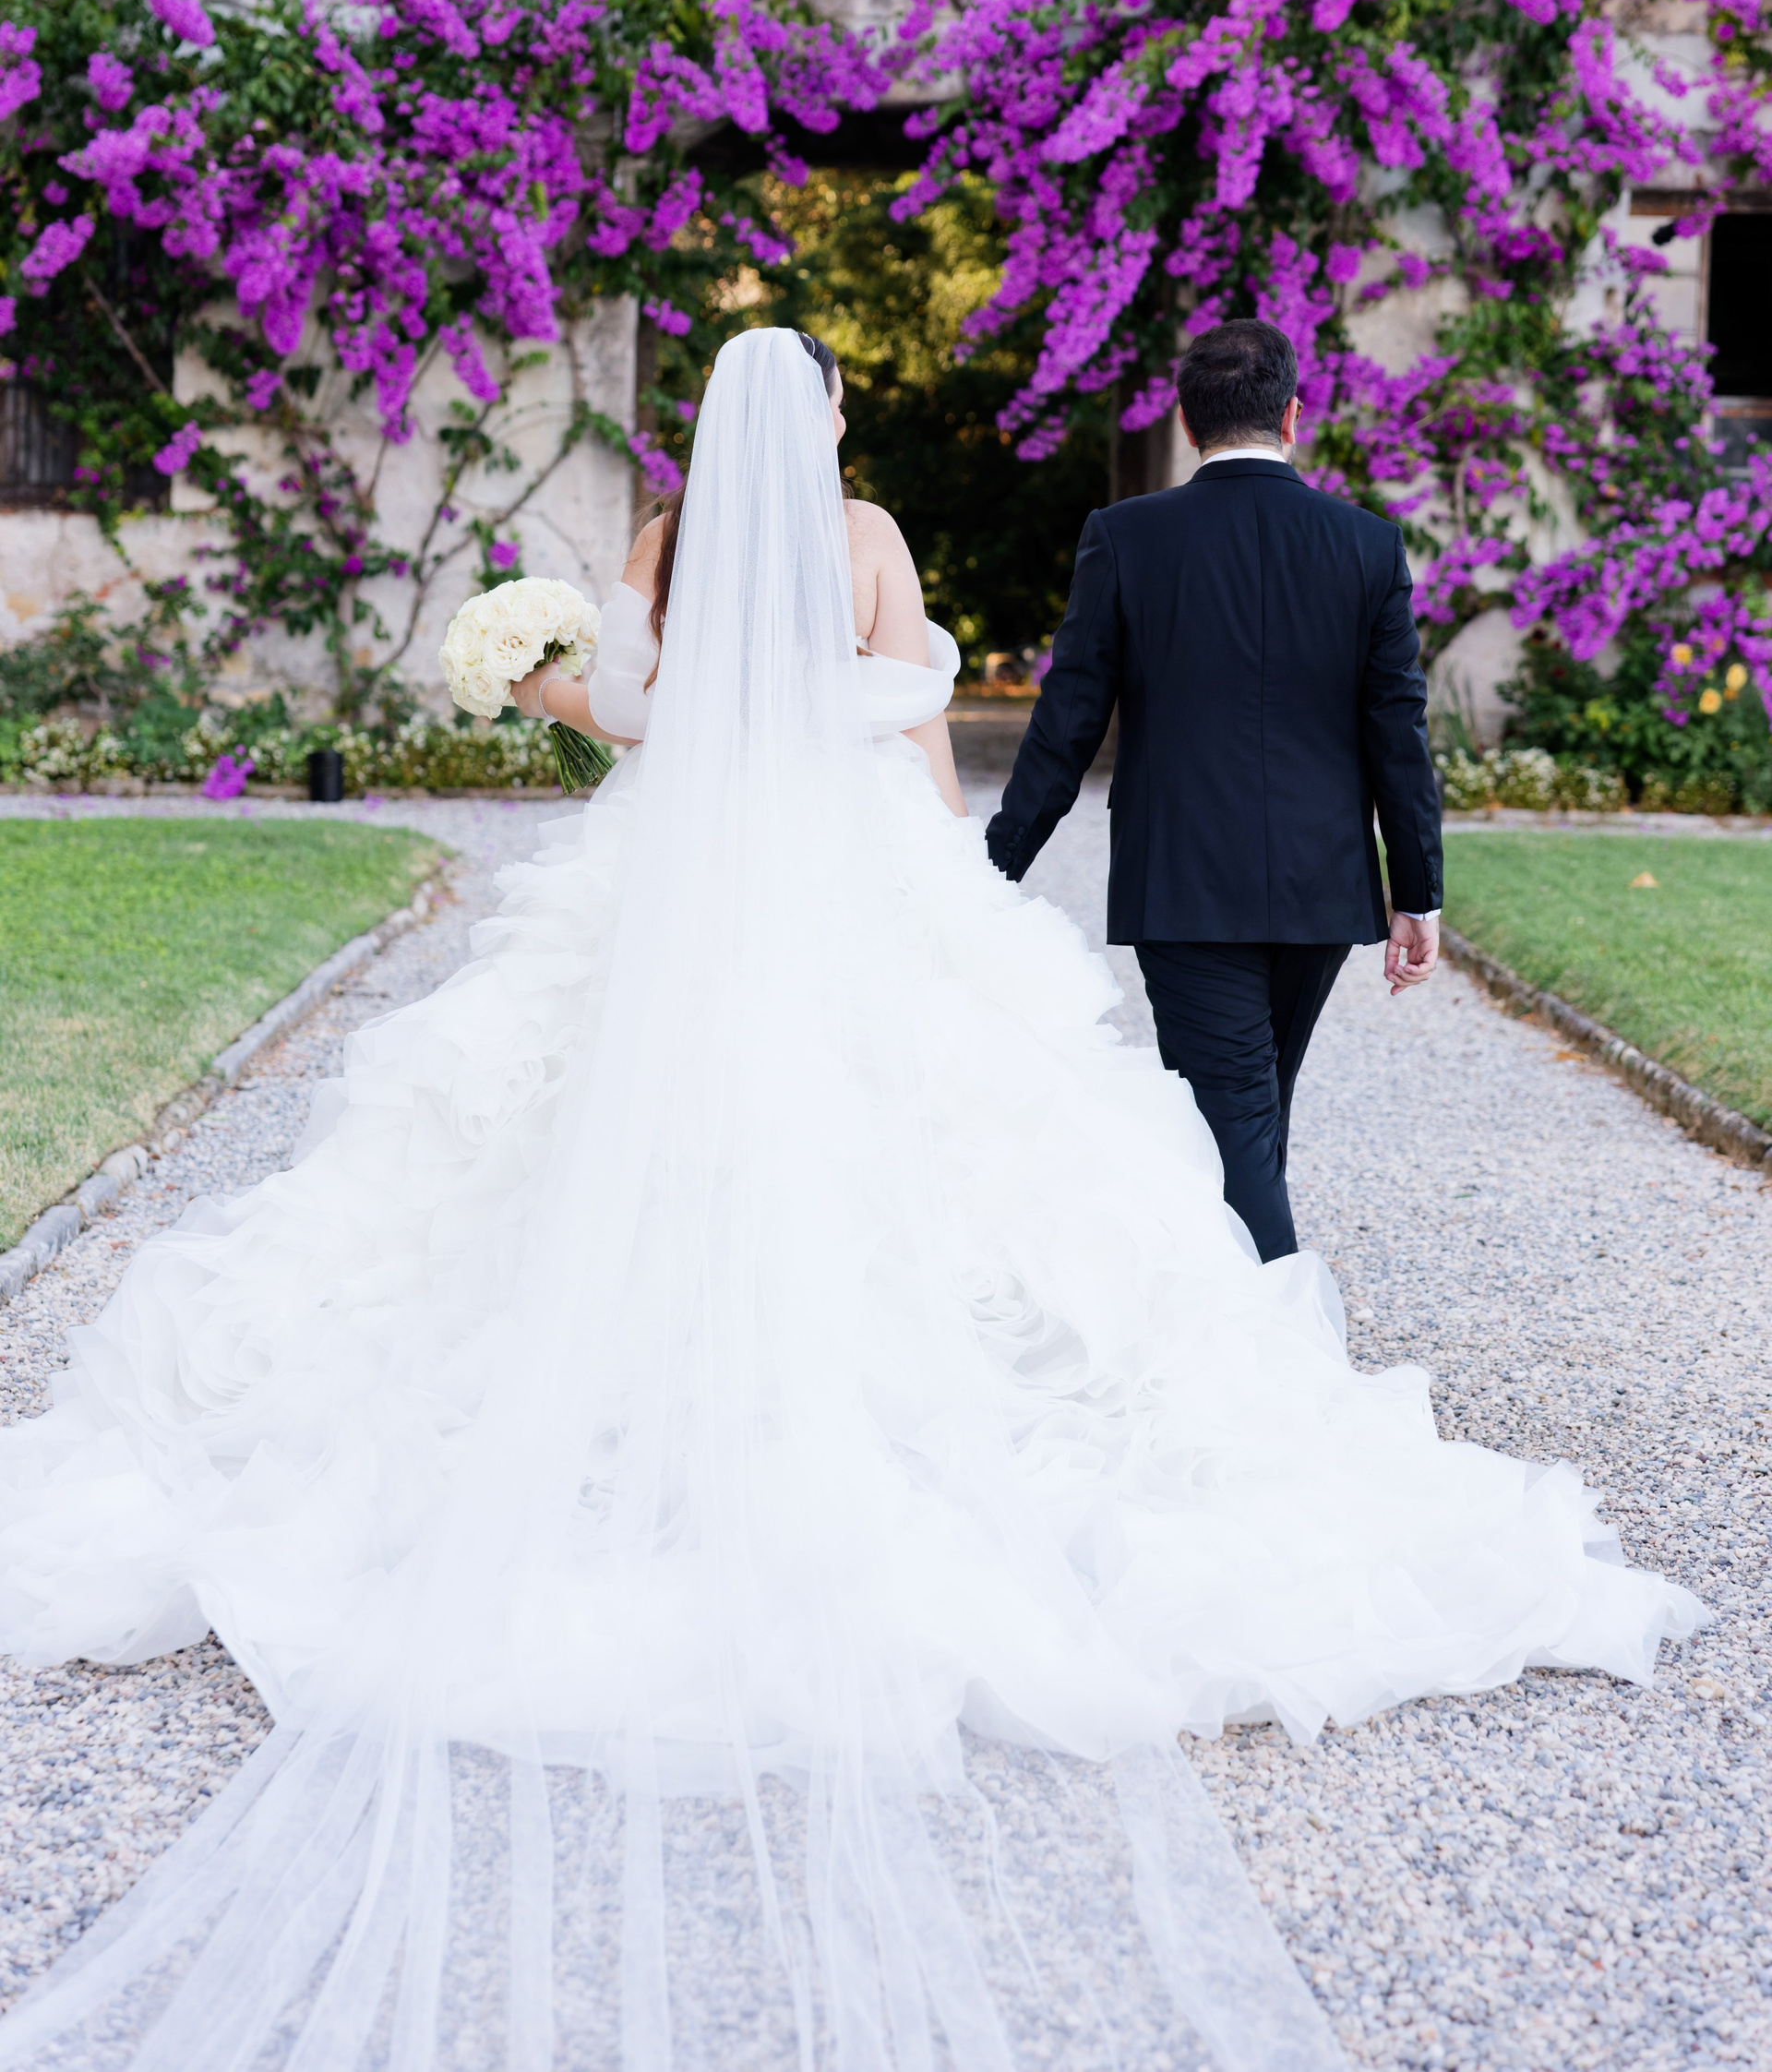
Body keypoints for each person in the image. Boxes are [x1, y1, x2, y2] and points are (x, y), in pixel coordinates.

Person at [0, 329, 1701, 2072]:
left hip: (682, 892)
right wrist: (959, 887)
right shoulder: (870, 535)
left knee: (584, 1134)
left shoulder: (663, 541)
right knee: (969, 1156)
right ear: (820, 413)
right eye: (830, 397)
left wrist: (540, 677)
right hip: (848, 882)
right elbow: (915, 731)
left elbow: (640, 716)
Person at [988, 318, 1442, 1264]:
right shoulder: (1367, 545)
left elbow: (1068, 721)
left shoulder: (1127, 537)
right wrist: (1418, 893)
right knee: (1247, 1119)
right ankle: (1258, 1323)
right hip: (1319, 886)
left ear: (1187, 424)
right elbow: (1397, 731)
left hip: (1183, 882)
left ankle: (1278, 1339)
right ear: (1292, 415)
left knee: (1235, 1124)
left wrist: (995, 865)